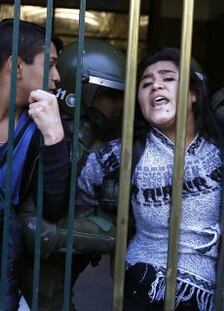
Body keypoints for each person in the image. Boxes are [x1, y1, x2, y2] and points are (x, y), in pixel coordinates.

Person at [76, 47, 224, 311]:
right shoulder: (123, 154)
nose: (156, 86)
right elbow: (79, 196)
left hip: (212, 294)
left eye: (167, 78)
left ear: (193, 94)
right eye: (146, 83)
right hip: (143, 287)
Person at [20, 38, 126, 310]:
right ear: (81, 92)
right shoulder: (49, 135)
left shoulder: (100, 145)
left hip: (61, 275)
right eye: (110, 95)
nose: (119, 106)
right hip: (32, 276)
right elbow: (32, 227)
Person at [0, 19, 70, 310]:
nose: (56, 77)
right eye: (50, 65)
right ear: (17, 67)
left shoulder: (38, 126)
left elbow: (53, 209)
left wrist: (54, 136)